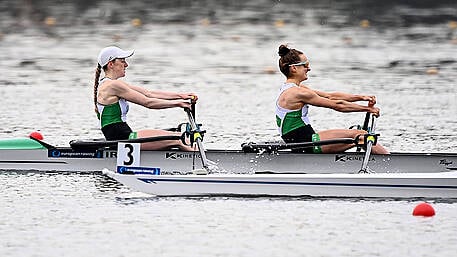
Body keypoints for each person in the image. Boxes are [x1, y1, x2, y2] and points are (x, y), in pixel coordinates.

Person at [276, 44, 389, 154]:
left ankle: (382, 161)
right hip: (307, 143)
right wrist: (368, 109)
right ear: (294, 68)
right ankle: (389, 163)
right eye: (305, 65)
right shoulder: (298, 93)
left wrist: (361, 97)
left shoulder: (293, 89)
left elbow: (330, 96)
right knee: (361, 136)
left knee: (360, 135)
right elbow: (338, 105)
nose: (309, 68)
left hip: (303, 141)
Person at [93, 46, 197, 151]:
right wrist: (179, 104)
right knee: (180, 139)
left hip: (122, 136)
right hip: (122, 139)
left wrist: (181, 96)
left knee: (178, 136)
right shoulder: (112, 85)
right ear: (111, 64)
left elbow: (149, 93)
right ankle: (197, 161)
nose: (126, 65)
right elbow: (148, 103)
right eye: (122, 61)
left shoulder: (111, 84)